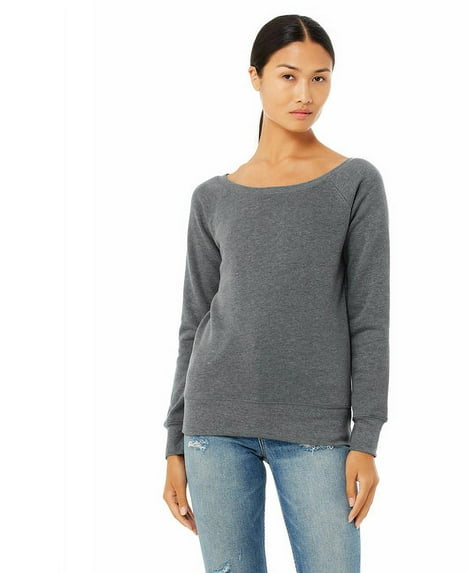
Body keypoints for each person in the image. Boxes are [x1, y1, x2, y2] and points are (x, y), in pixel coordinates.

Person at [162, 14, 390, 573]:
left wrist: (366, 438)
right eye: (288, 76)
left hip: (316, 429)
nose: (305, 94)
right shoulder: (212, 197)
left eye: (320, 78)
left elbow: (369, 319)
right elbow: (194, 321)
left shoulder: (354, 182)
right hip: (214, 424)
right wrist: (174, 442)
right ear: (255, 77)